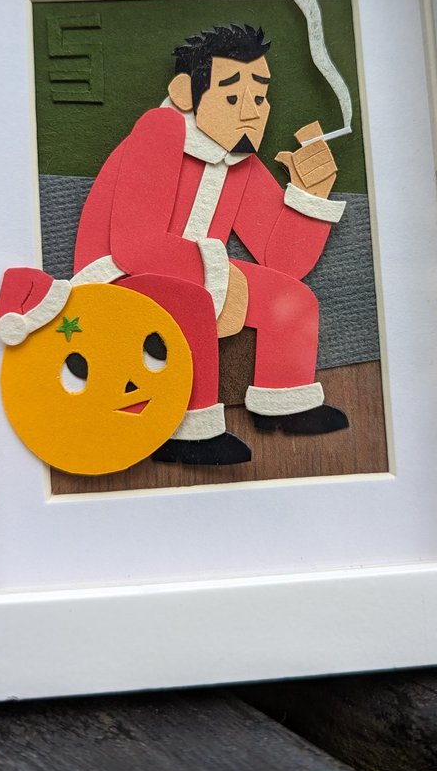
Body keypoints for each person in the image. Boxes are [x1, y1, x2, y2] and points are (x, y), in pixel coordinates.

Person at [73, 23, 349, 466]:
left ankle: (285, 402)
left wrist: (308, 195)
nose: (251, 112)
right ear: (186, 93)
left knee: (292, 297)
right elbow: (134, 245)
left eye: (260, 97)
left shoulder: (239, 160)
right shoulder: (159, 129)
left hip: (199, 274)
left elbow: (283, 262)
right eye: (233, 96)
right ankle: (187, 430)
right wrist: (217, 278)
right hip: (115, 278)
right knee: (192, 303)